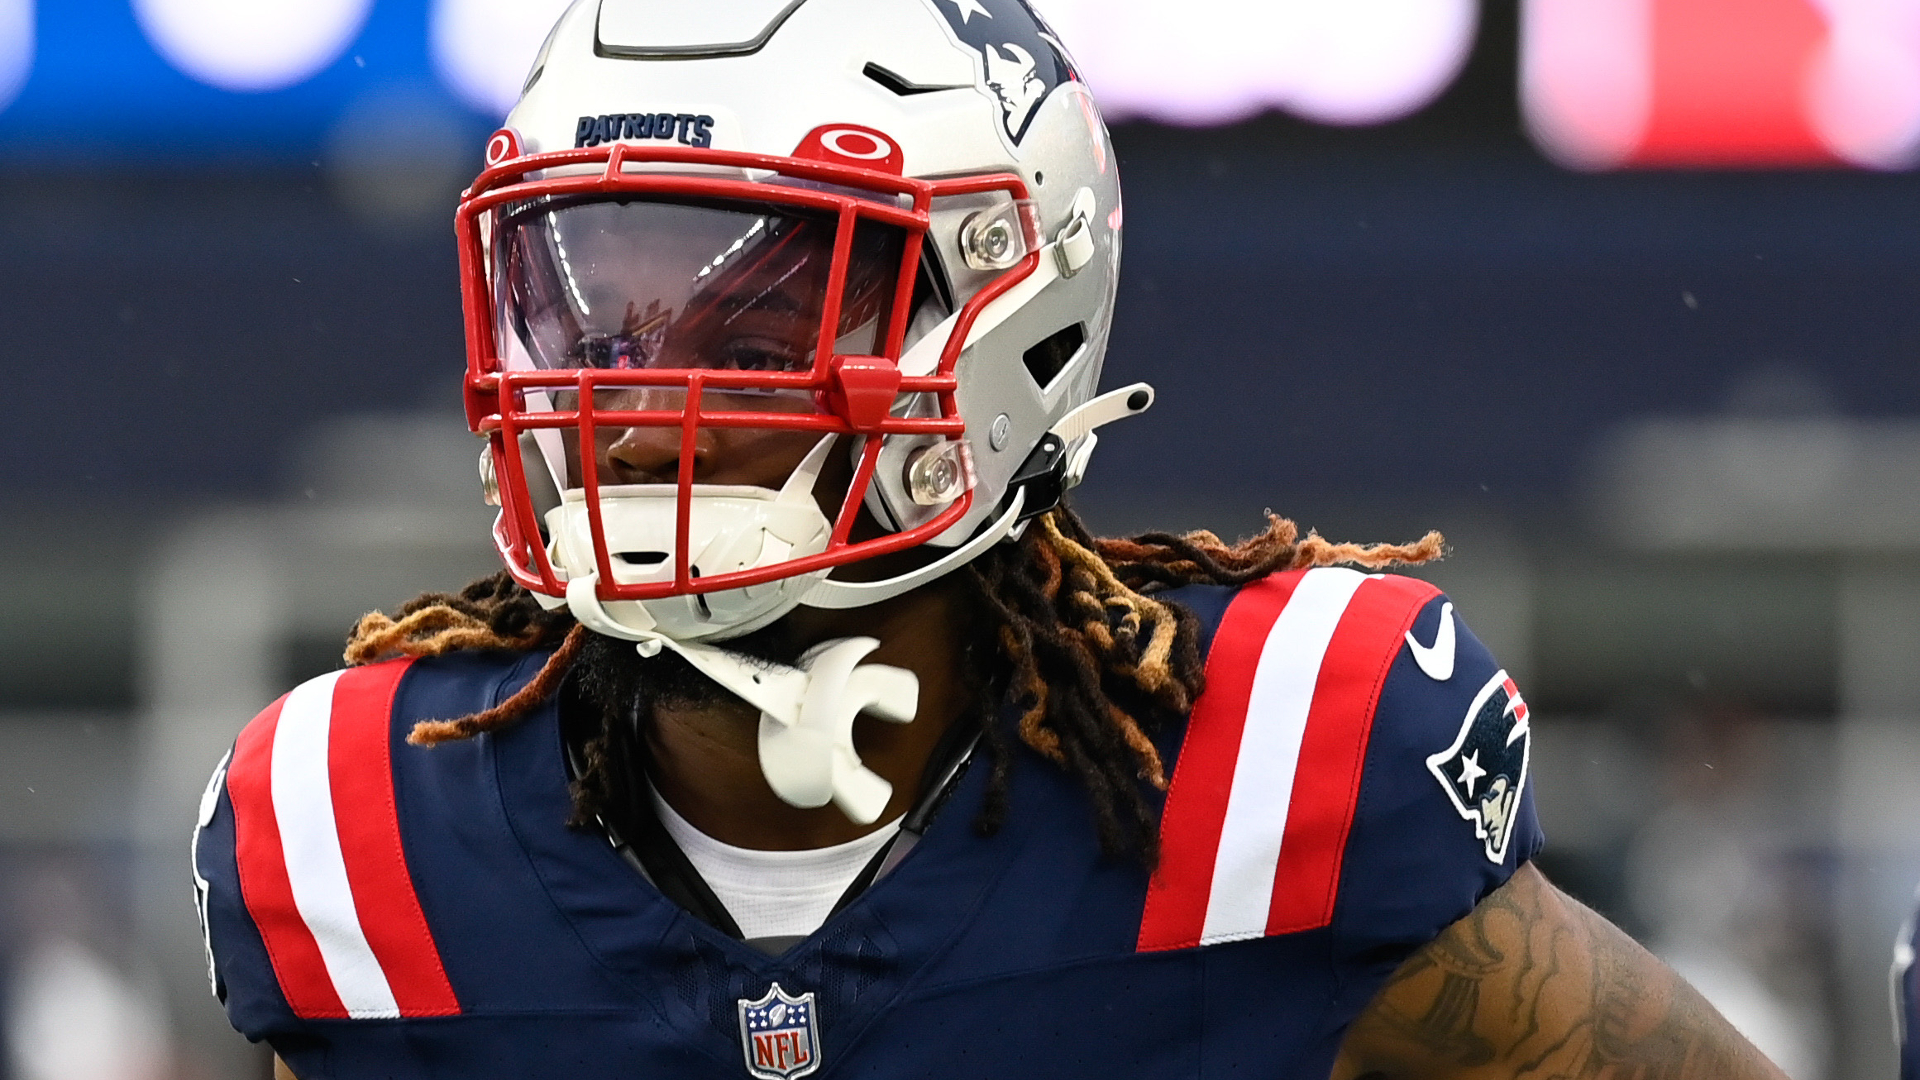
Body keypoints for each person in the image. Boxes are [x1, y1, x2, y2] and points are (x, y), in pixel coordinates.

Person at [190, 0, 1792, 1077]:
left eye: (749, 329)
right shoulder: (359, 839)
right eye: (584, 314)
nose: (625, 401)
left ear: (999, 321)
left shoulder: (1275, 775)